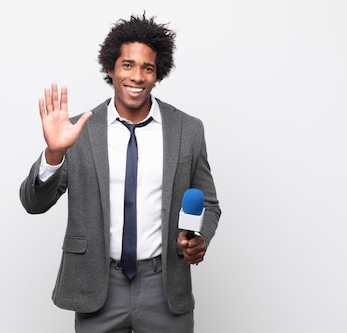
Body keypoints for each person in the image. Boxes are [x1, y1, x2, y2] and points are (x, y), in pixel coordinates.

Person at [19, 13, 221, 333]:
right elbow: (34, 203)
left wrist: (200, 239)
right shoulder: (78, 131)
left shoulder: (188, 130)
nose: (137, 76)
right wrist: (54, 154)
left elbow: (209, 203)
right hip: (98, 285)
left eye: (148, 68)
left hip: (164, 284)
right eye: (127, 65)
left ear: (158, 74)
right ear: (111, 68)